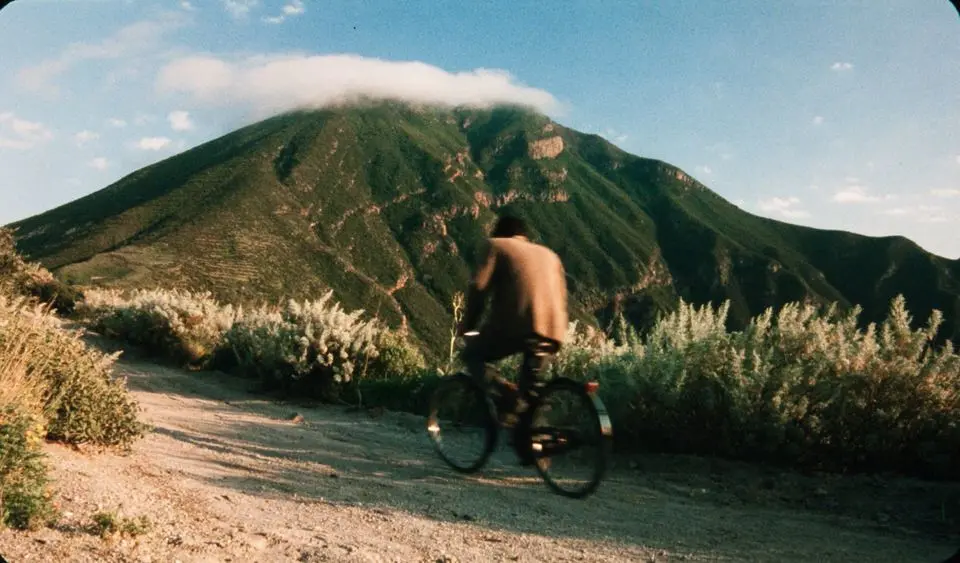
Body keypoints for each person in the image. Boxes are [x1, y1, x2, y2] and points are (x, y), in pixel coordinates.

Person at [456, 214, 569, 464]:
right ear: (524, 235)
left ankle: (507, 395)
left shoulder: (495, 245)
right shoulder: (549, 254)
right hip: (553, 331)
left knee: (472, 355)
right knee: (532, 393)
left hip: (516, 327)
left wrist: (468, 325)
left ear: (499, 232)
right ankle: (534, 445)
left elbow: (478, 289)